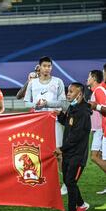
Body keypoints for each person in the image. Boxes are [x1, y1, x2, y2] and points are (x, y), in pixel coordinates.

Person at [24, 56, 66, 195]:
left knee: (58, 153)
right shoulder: (33, 83)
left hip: (54, 122)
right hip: (39, 122)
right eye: (45, 66)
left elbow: (63, 102)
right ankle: (43, 181)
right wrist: (36, 105)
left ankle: (65, 183)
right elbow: (26, 102)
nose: (47, 68)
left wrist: (51, 106)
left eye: (49, 66)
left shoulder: (58, 82)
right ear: (39, 67)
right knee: (40, 153)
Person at [54, 83, 91, 211]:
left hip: (78, 155)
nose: (67, 94)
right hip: (69, 153)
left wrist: (61, 149)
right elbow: (68, 123)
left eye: (71, 91)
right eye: (67, 91)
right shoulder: (72, 108)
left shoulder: (83, 113)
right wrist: (60, 115)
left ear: (80, 94)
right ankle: (82, 204)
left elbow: (76, 136)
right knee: (68, 181)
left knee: (70, 181)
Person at [86, 71, 106, 194]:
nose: (87, 79)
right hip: (98, 129)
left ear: (93, 78)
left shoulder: (98, 90)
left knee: (94, 156)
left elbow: (101, 108)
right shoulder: (96, 91)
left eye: (89, 76)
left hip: (100, 129)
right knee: (96, 157)